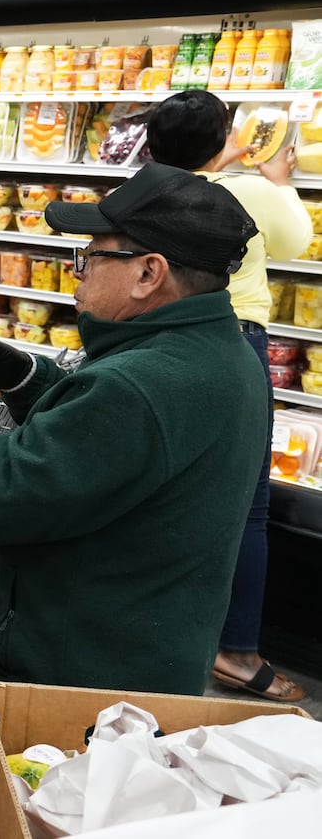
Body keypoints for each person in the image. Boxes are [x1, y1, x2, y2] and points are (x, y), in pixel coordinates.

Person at [0, 163, 269, 696]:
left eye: (91, 255)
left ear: (148, 273)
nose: (75, 271)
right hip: (145, 660)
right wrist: (23, 376)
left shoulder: (140, 385)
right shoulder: (225, 355)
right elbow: (110, 453)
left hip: (79, 683)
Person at [146, 90, 311, 703]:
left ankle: (167, 629)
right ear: (225, 142)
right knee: (247, 504)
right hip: (232, 339)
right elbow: (295, 242)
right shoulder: (248, 191)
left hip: (157, 344)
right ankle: (238, 651)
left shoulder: (143, 190)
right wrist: (275, 178)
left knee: (167, 489)